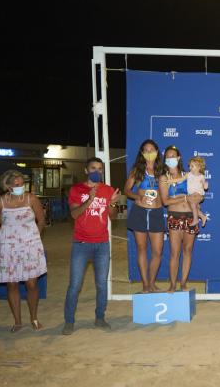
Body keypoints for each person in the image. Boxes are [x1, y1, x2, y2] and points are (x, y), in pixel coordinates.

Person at [63, 158, 121, 335]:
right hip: (81, 244)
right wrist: (89, 200)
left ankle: (100, 318)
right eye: (94, 168)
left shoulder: (108, 189)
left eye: (100, 169)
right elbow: (74, 214)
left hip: (102, 244)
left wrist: (112, 203)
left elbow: (113, 216)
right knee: (75, 284)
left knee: (101, 284)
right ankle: (69, 321)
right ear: (86, 170)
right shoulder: (76, 189)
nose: (97, 171)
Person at [0, 170, 47, 332]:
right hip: (9, 248)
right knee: (12, 284)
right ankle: (17, 321)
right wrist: (3, 238)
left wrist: (36, 235)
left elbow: (41, 219)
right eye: (17, 184)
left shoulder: (31, 199)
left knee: (31, 283)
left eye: (22, 183)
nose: (20, 186)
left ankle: (34, 318)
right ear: (7, 186)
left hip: (30, 245)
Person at [159, 145, 203, 292]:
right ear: (165, 160)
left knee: (188, 250)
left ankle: (183, 282)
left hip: (191, 216)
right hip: (174, 217)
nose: (171, 159)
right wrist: (184, 197)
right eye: (168, 157)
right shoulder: (164, 178)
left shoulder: (189, 174)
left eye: (173, 156)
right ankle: (172, 284)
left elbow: (198, 195)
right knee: (174, 252)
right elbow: (165, 201)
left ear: (178, 158)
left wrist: (194, 198)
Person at [124, 139, 165, 293]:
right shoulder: (137, 170)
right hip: (139, 212)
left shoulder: (163, 170)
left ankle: (152, 283)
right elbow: (127, 190)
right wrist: (137, 197)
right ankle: (145, 285)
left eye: (152, 150)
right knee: (141, 249)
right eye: (146, 150)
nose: (149, 153)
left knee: (157, 252)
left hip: (156, 213)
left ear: (157, 152)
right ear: (142, 153)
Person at [185, 156, 208, 227]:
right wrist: (171, 181)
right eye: (190, 166)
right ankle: (203, 216)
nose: (190, 168)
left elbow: (205, 187)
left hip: (198, 195)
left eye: (192, 166)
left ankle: (195, 219)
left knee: (191, 203)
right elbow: (181, 179)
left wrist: (206, 185)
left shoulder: (201, 176)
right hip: (192, 195)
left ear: (199, 167)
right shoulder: (188, 174)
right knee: (194, 206)